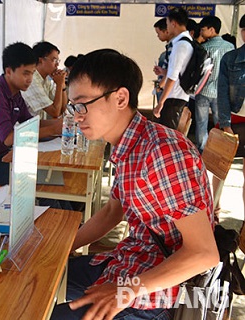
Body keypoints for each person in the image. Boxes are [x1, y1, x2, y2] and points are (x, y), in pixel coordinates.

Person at [51, 49, 218, 319]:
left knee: (42, 309)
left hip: (156, 292)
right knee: (40, 274)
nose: (76, 115)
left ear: (120, 98)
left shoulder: (163, 154)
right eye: (73, 106)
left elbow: (203, 253)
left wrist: (124, 291)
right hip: (130, 261)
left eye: (82, 104)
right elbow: (111, 212)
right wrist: (60, 248)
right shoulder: (130, 144)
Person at [0, 42, 61, 186]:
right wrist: (53, 129)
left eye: (32, 73)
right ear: (9, 71)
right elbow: (9, 139)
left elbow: (31, 122)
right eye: (25, 73)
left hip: (1, 156)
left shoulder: (14, 92)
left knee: (50, 177)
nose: (30, 79)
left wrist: (60, 124)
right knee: (41, 183)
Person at [216, 14, 245, 222]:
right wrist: (225, 123)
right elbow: (222, 92)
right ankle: (214, 210)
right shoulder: (231, 58)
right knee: (219, 168)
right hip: (233, 120)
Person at [194, 16, 234, 153]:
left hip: (203, 91)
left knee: (201, 123)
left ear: (212, 30)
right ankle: (220, 151)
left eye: (203, 30)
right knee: (221, 123)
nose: (201, 32)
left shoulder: (204, 47)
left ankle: (203, 150)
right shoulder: (230, 47)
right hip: (221, 94)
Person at [153, 7, 193, 129]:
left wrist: (161, 102)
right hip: (177, 95)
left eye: (167, 24)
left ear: (173, 23)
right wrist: (164, 71)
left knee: (168, 133)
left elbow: (173, 76)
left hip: (174, 96)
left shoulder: (181, 45)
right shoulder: (184, 42)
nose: (167, 27)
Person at [21, 41, 68, 118]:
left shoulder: (46, 81)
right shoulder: (31, 80)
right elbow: (55, 112)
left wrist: (62, 84)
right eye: (54, 60)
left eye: (58, 61)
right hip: (26, 128)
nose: (57, 65)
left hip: (39, 126)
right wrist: (59, 84)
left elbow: (62, 110)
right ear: (40, 60)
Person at [152, 18, 172, 103]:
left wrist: (159, 86)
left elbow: (171, 72)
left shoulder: (172, 48)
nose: (158, 36)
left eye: (158, 33)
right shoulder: (169, 48)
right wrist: (161, 71)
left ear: (166, 31)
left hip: (167, 89)